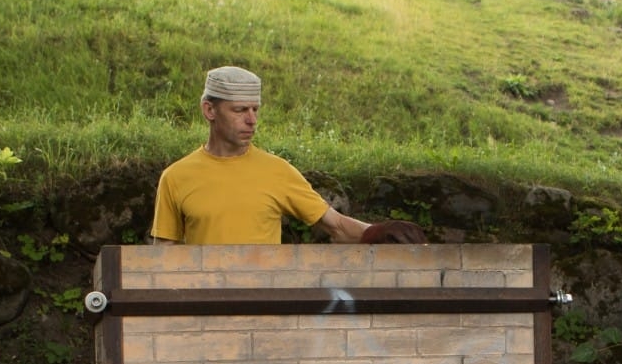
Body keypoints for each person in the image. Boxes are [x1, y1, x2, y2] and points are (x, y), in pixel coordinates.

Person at [151, 66, 425, 246]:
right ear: (209, 111)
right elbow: (162, 256)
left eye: (255, 110)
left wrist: (380, 233)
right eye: (239, 110)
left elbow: (337, 226)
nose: (251, 120)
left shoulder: (277, 171)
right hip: (202, 314)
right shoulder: (176, 177)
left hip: (265, 309)